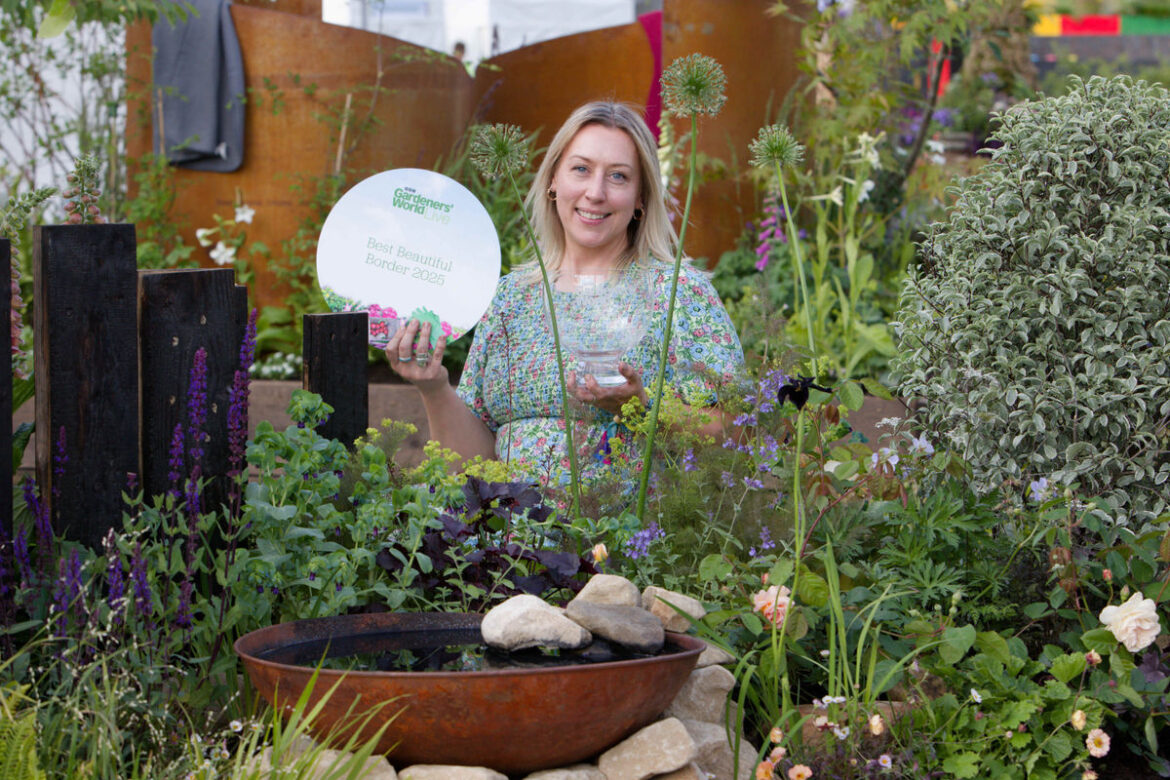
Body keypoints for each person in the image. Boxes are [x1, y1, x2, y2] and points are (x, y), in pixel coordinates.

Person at [385, 101, 744, 487]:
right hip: (507, 525)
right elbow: (472, 467)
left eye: (618, 176)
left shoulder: (678, 293)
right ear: (553, 180)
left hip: (630, 525)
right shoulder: (511, 298)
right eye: (581, 169)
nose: (595, 192)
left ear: (641, 197)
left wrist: (643, 408)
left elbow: (741, 433)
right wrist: (434, 387)